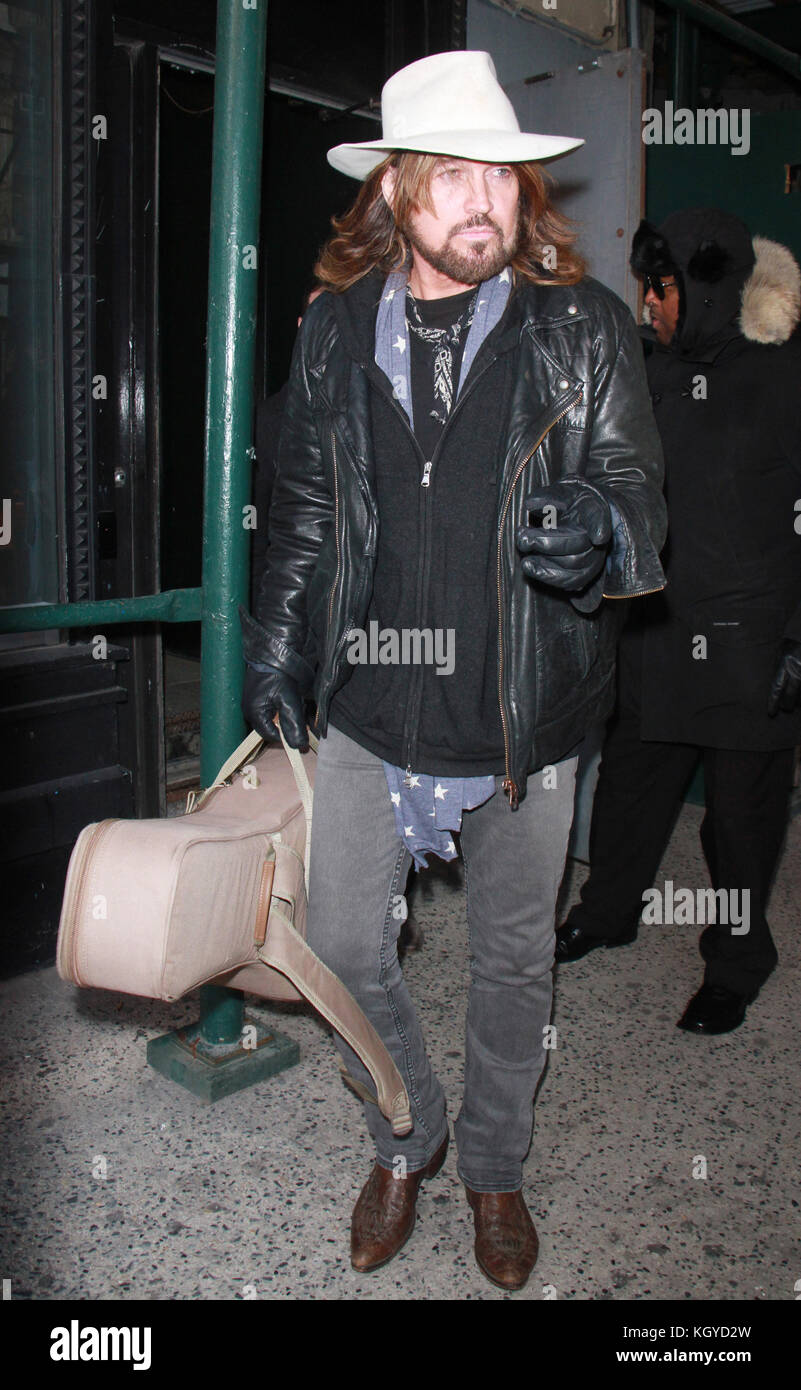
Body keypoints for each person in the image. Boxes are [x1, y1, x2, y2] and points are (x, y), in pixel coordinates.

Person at [239, 50, 666, 1290]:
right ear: (396, 193)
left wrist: (603, 532)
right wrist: (279, 651)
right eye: (454, 175)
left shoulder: (583, 328)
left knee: (513, 960)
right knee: (339, 946)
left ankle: (493, 1168)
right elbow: (308, 508)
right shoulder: (330, 329)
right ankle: (405, 1130)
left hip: (529, 709)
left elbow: (640, 493)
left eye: (504, 176)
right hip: (370, 700)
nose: (486, 199)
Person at [556, 208, 801, 1037]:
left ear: (701, 289)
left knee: (739, 819)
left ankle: (735, 961)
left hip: (752, 639)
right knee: (630, 786)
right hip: (657, 627)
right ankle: (608, 910)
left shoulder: (785, 376)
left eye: (658, 289)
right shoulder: (647, 372)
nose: (648, 304)